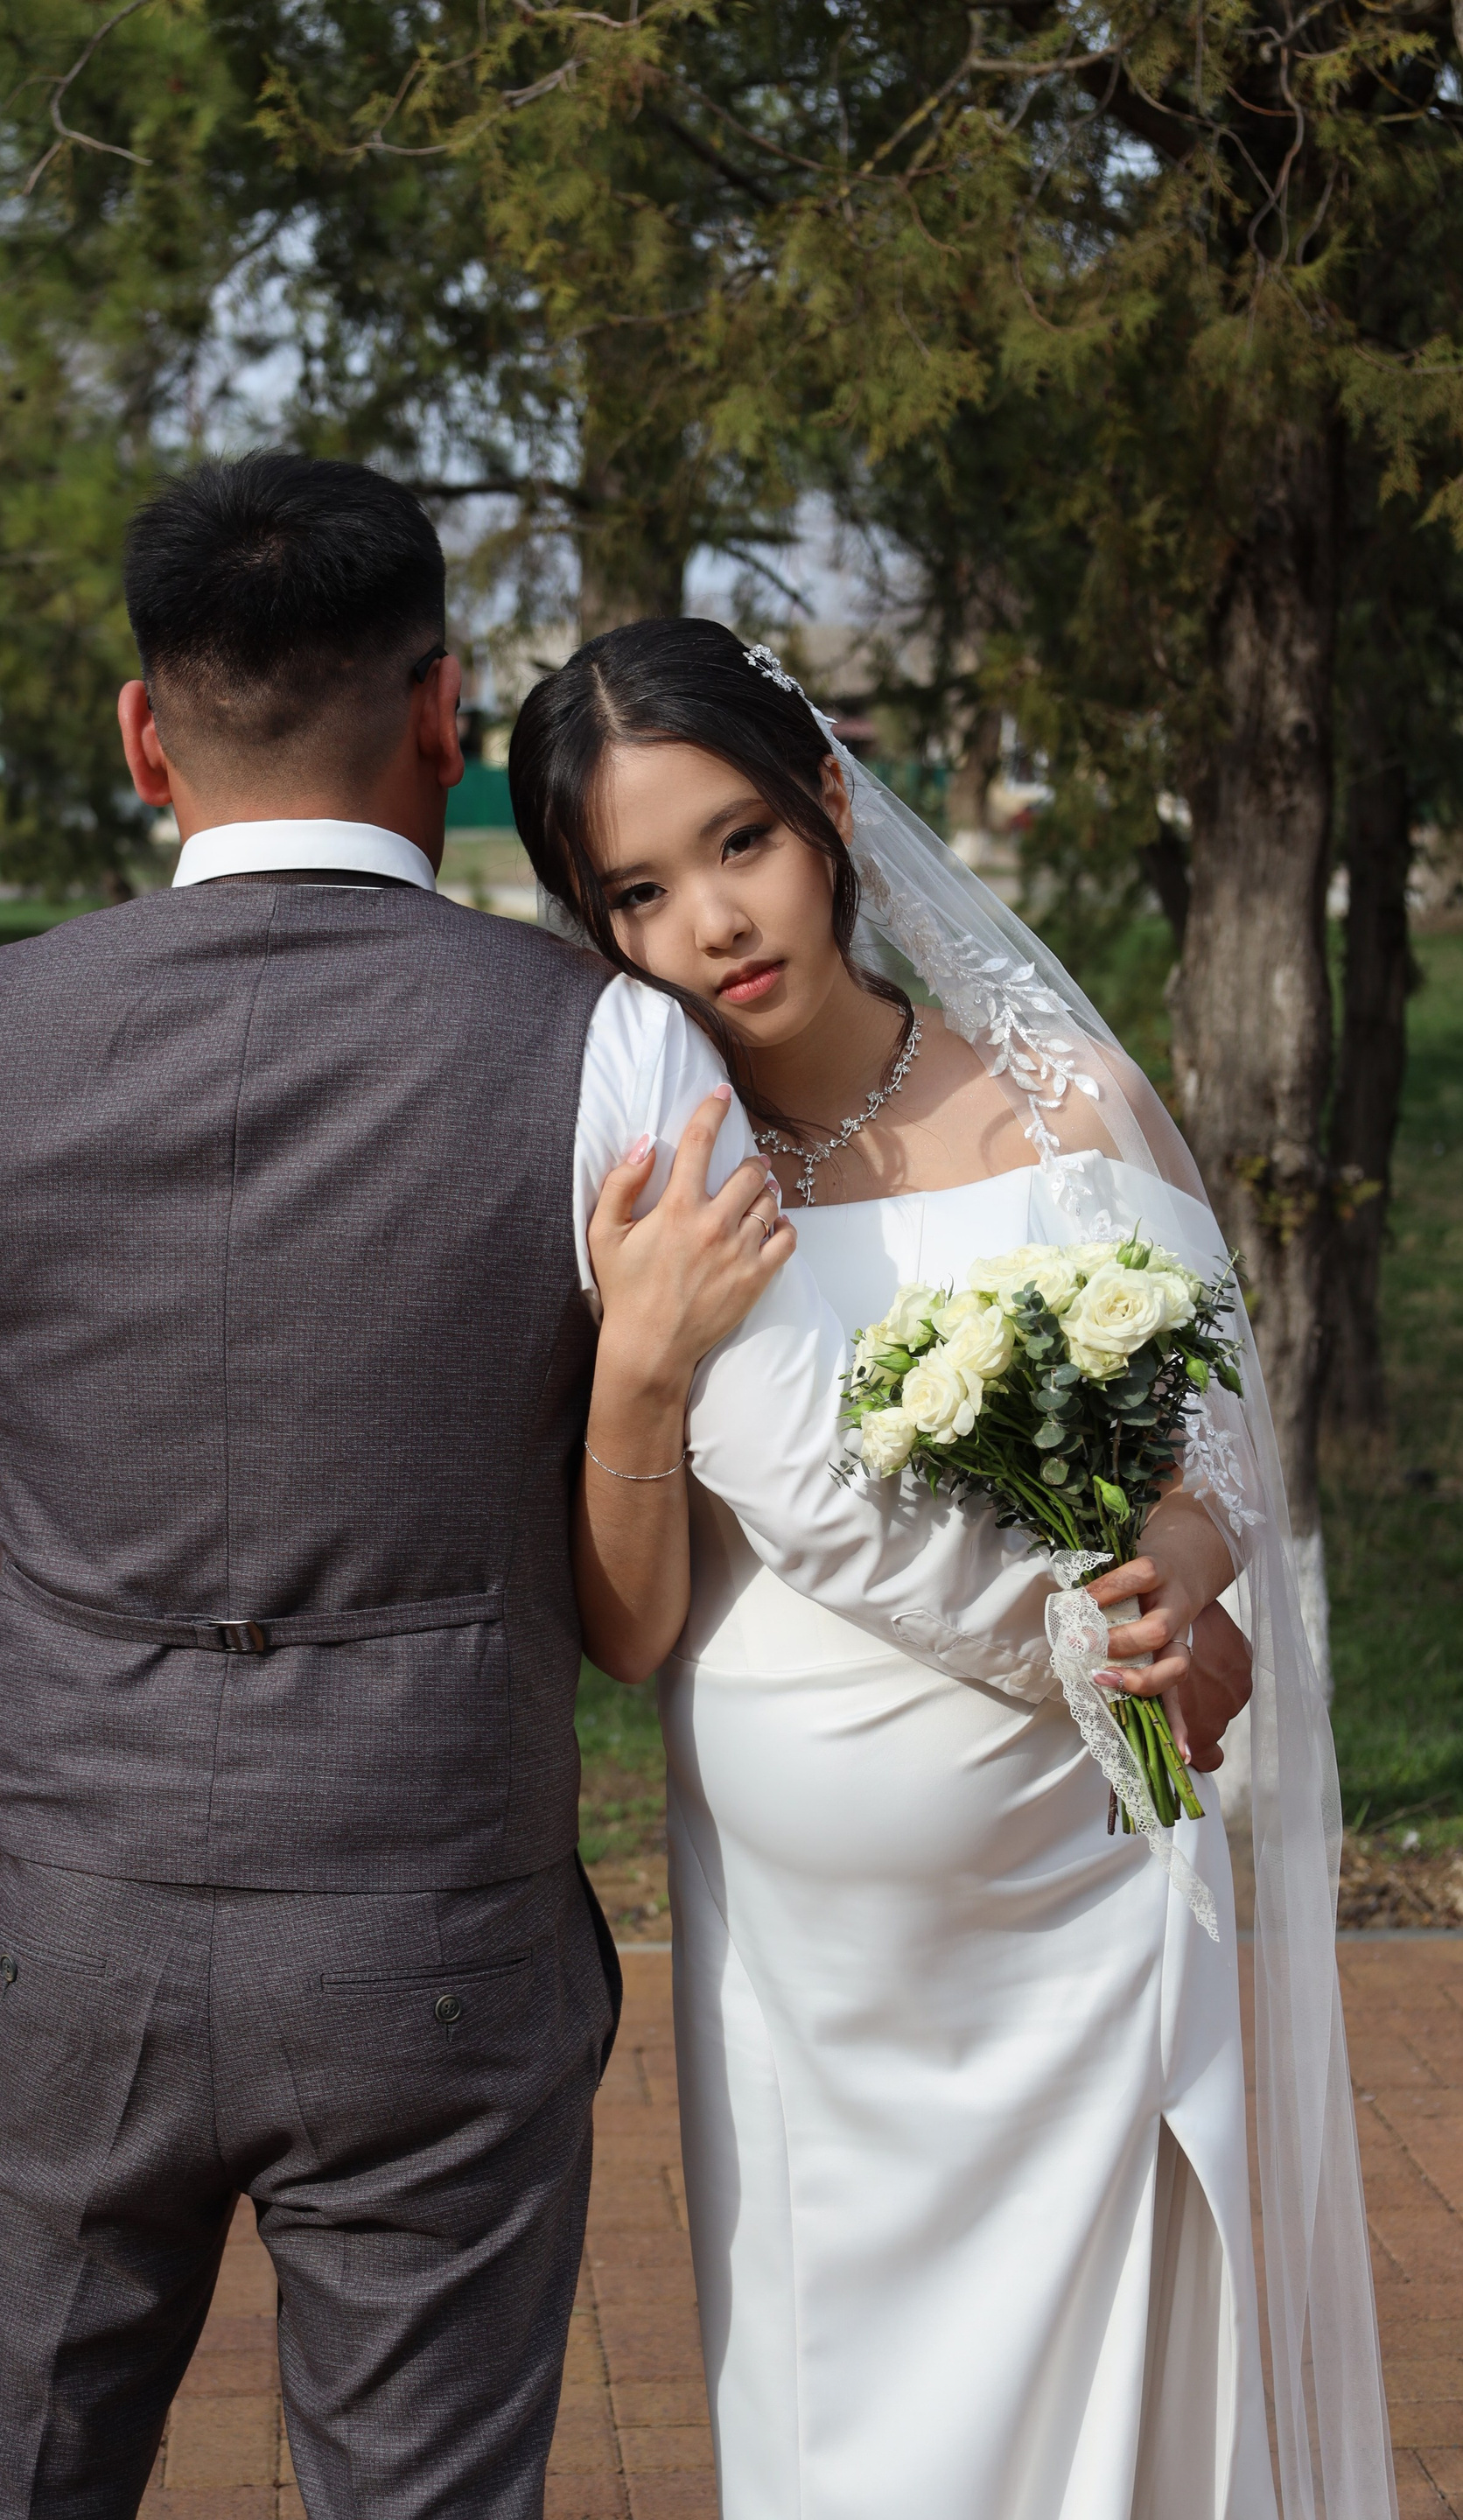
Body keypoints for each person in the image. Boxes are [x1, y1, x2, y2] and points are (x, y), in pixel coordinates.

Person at [0, 454, 1228, 2519]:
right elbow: (803, 1478)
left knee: (6, 2483)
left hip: (61, 1939)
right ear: (442, 712)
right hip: (438, 1944)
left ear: (141, 736)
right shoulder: (610, 1052)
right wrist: (1103, 1629)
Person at [508, 616, 1395, 2520]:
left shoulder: (1062, 1104)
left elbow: (1217, 1450)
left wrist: (1175, 1574)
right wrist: (642, 1364)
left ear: (830, 809)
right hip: (814, 1969)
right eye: (641, 892)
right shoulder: (658, 1179)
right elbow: (631, 1625)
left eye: (741, 841)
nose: (713, 923)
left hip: (1081, 1881)